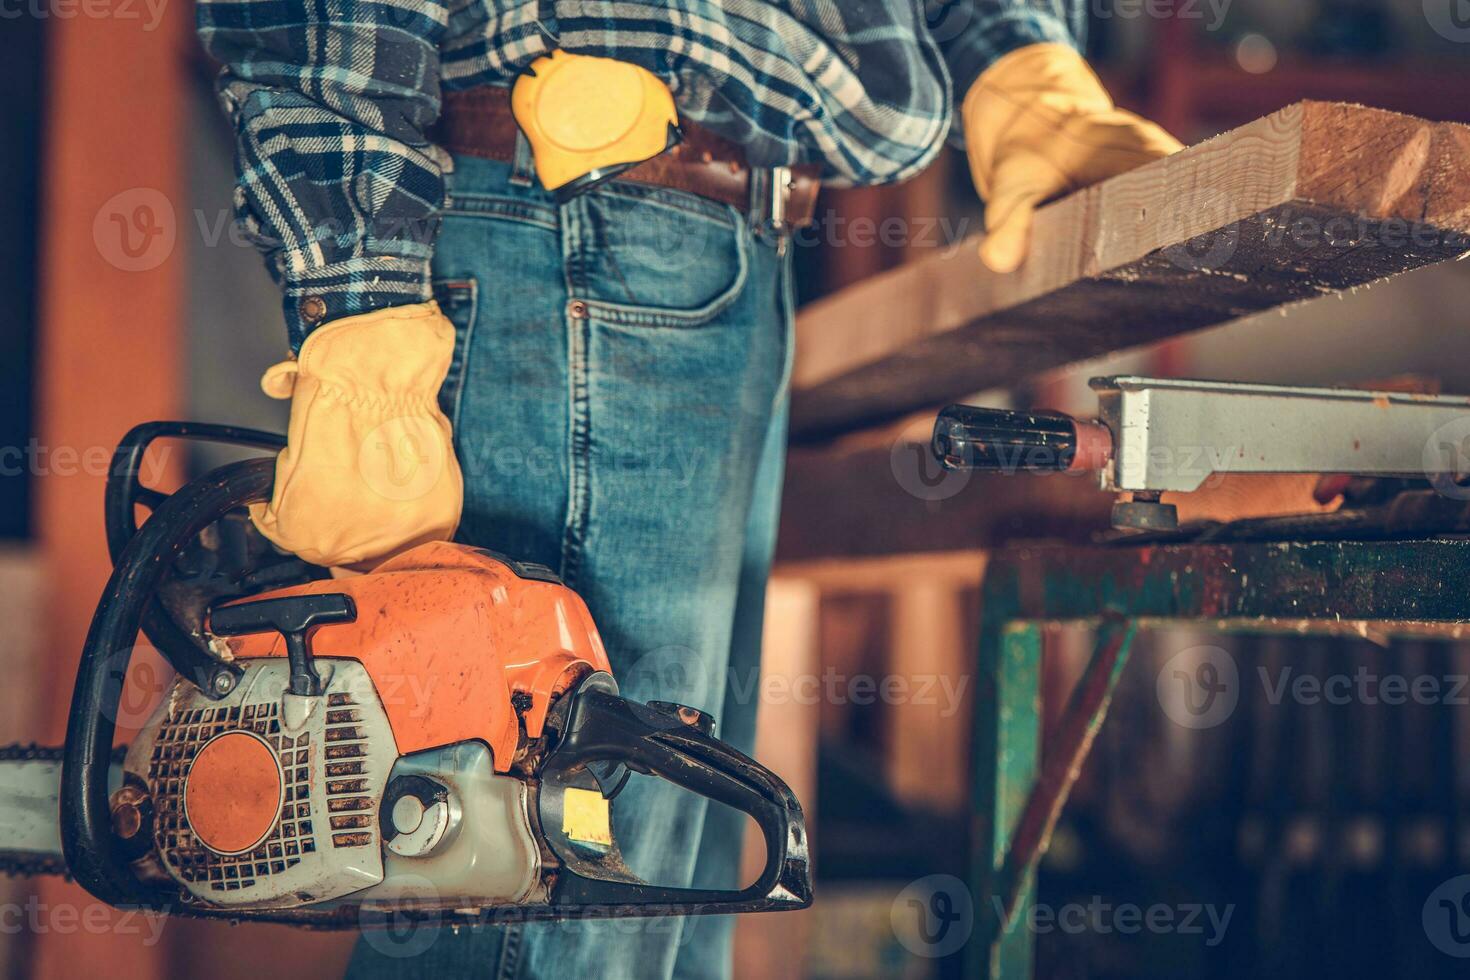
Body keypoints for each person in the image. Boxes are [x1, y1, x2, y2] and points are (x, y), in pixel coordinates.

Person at [193, 1, 1180, 976]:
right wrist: (362, 311)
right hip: (570, 221)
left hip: (712, 238)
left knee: (651, 911)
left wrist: (1014, 55)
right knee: (549, 910)